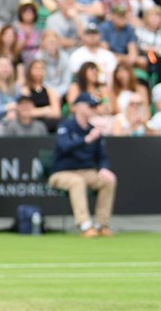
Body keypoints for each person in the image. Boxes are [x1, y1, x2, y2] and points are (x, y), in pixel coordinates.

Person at [48, 92, 118, 238]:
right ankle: (84, 225)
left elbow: (102, 157)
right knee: (76, 182)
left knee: (109, 180)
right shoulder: (66, 126)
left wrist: (104, 168)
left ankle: (101, 225)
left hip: (87, 171)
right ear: (79, 108)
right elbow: (64, 146)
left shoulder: (94, 130)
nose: (93, 108)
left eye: (94, 106)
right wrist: (86, 140)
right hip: (62, 172)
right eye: (90, 105)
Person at [22, 58, 61, 132]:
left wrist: (37, 112)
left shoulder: (49, 90)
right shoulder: (25, 90)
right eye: (36, 68)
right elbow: (27, 112)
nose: (39, 71)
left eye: (41, 69)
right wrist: (46, 110)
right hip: (32, 123)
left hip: (49, 122)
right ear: (30, 70)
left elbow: (56, 112)